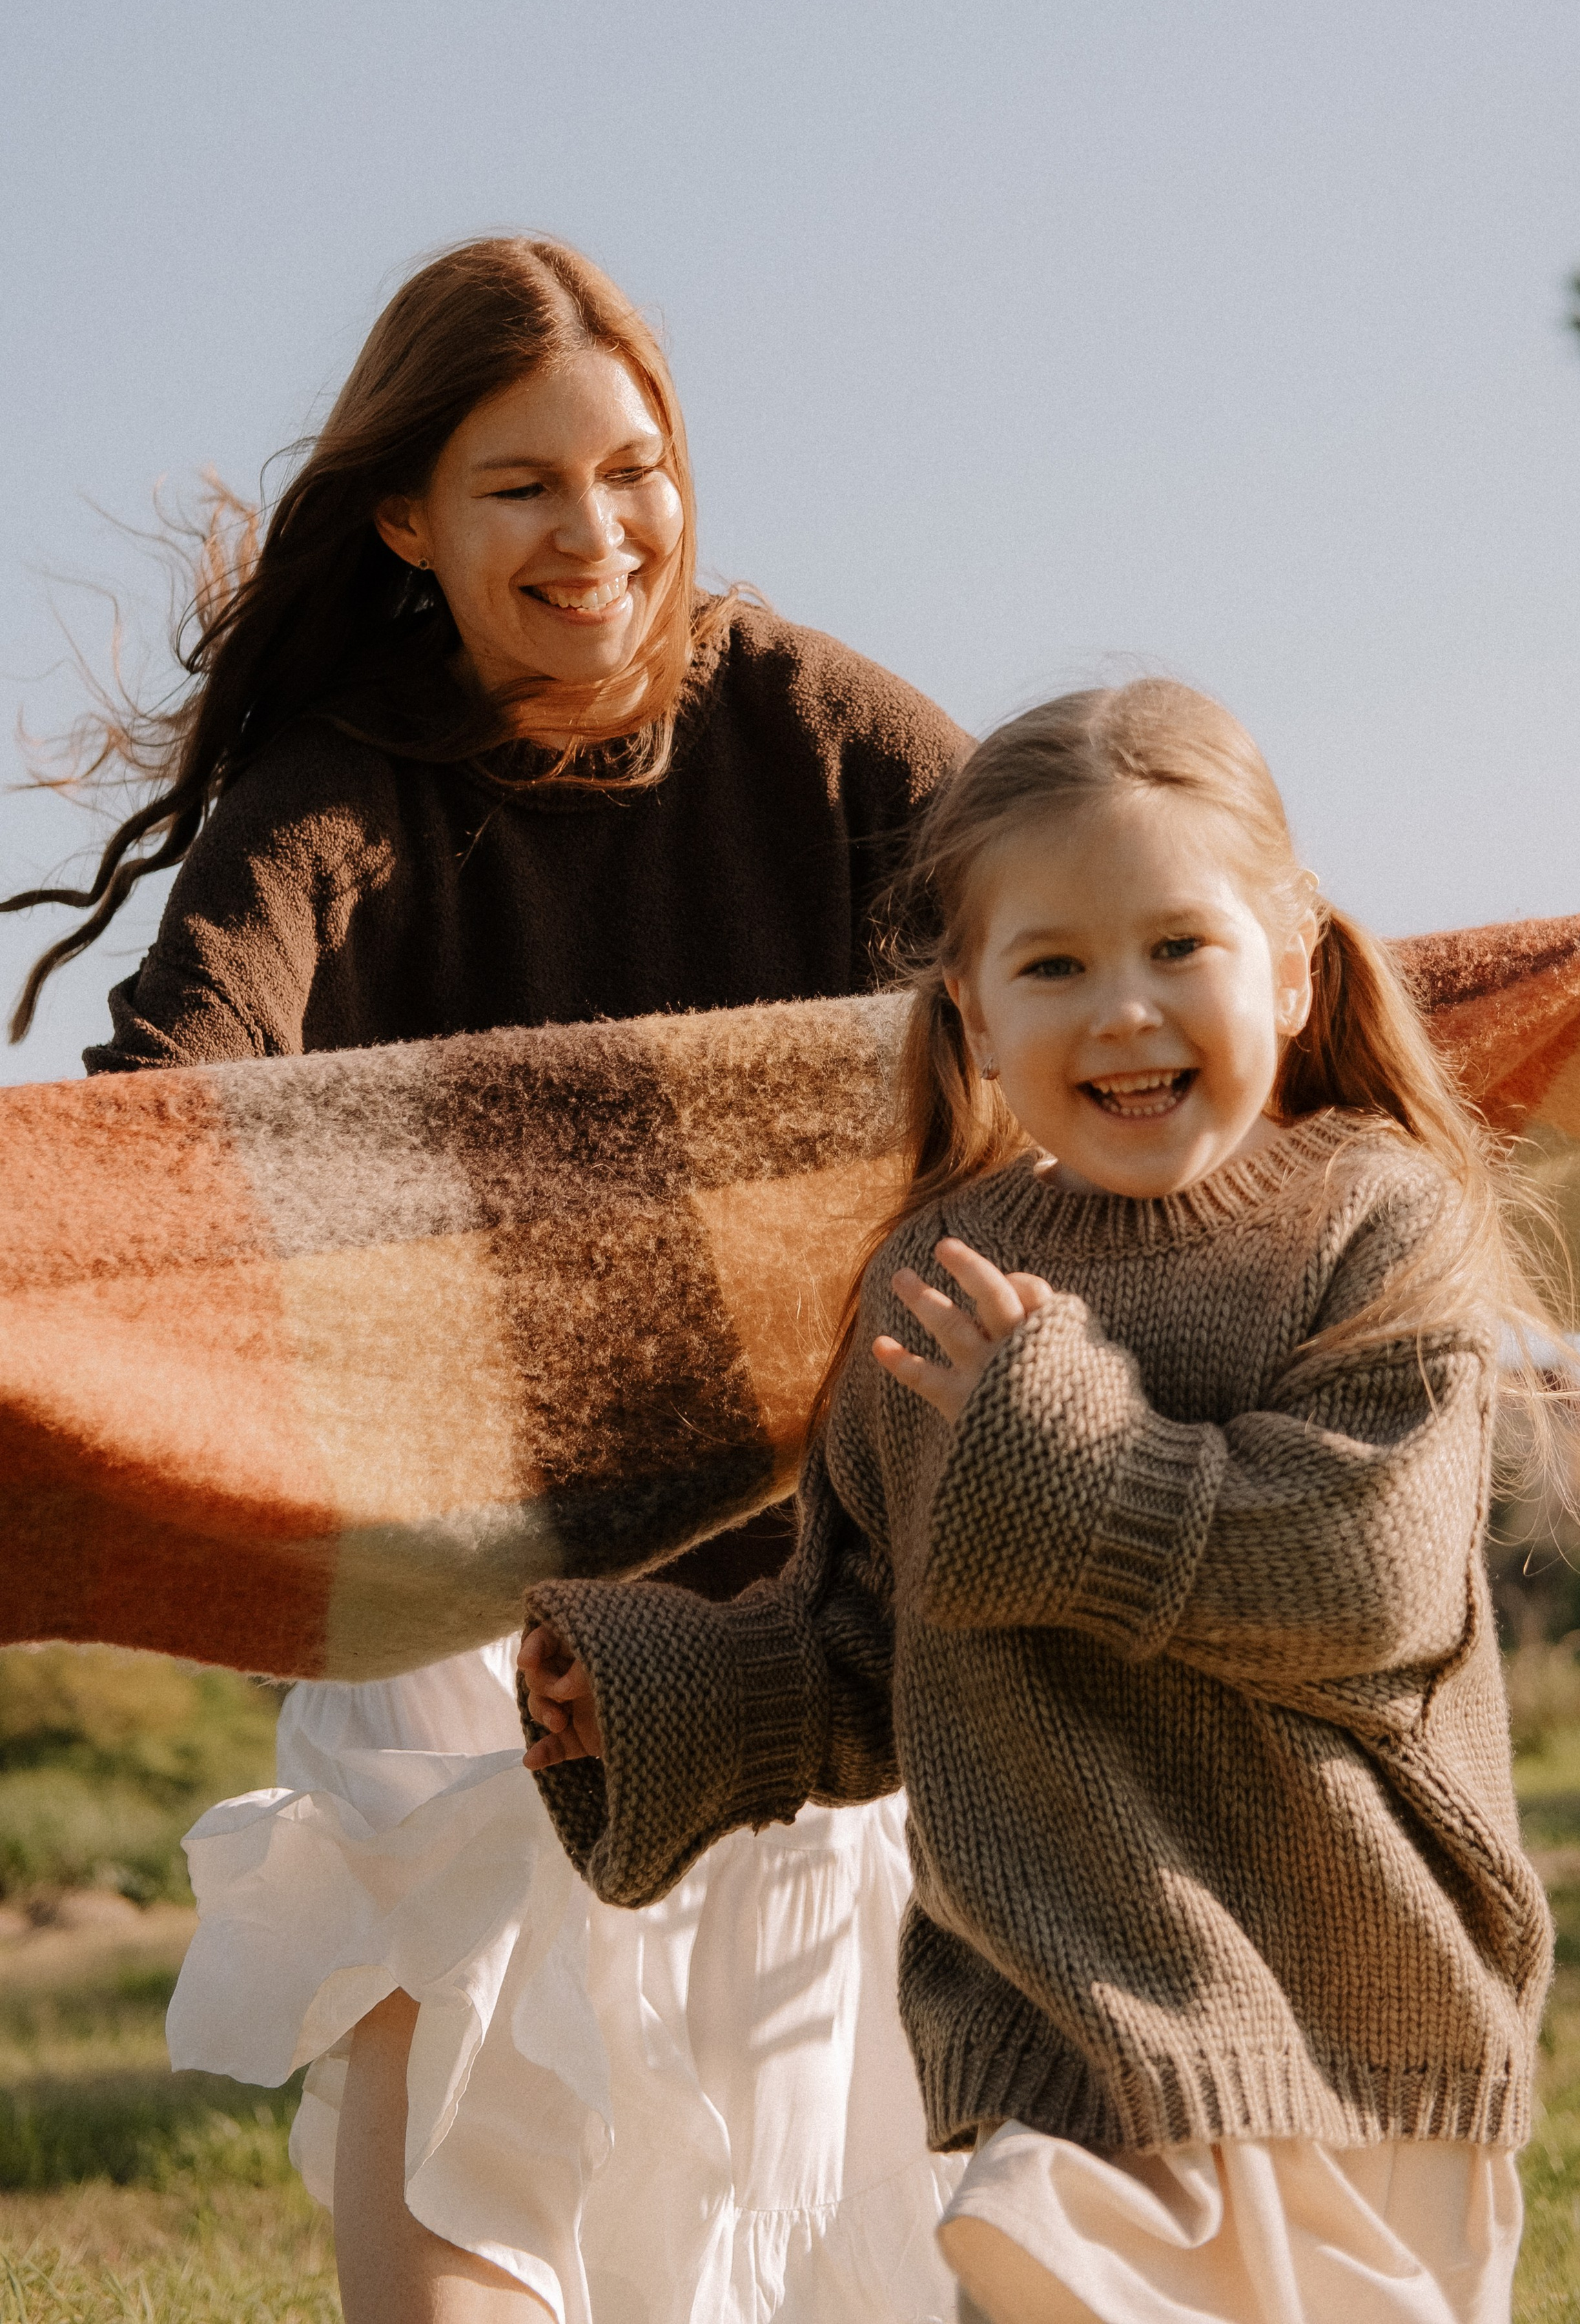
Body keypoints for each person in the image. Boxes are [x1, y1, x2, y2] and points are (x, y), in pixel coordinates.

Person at [3, 236, 970, 2324]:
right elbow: (167, 1109)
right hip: (454, 1610)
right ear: (406, 520)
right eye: (524, 485)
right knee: (466, 2143)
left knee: (788, 2240)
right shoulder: (336, 807)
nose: (599, 530)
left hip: (791, 1629)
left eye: (635, 467)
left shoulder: (821, 732)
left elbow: (1095, 938)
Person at [518, 677, 1557, 2324]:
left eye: (1176, 948)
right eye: (1054, 966)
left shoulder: (1374, 1223)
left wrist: (1074, 1454)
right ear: (975, 1014)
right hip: (1060, 2023)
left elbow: (1363, 1573)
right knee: (1032, 2257)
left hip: (1342, 2016)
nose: (1122, 1012)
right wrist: (676, 1694)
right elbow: (880, 1652)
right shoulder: (935, 1288)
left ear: (1288, 963)